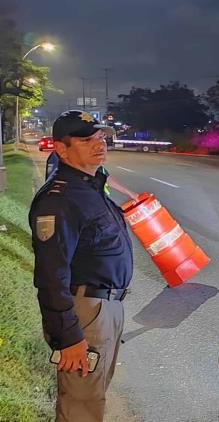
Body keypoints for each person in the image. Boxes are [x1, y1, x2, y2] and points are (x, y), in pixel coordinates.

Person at [28, 110, 134, 422]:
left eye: (101, 138)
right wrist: (69, 337)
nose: (99, 145)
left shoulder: (88, 186)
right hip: (85, 312)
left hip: (107, 307)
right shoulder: (58, 200)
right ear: (62, 149)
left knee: (93, 397)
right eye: (87, 140)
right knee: (80, 408)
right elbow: (50, 276)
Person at [45, 151, 138, 199]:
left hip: (95, 202)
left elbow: (105, 176)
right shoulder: (59, 158)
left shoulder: (86, 156)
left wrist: (130, 193)